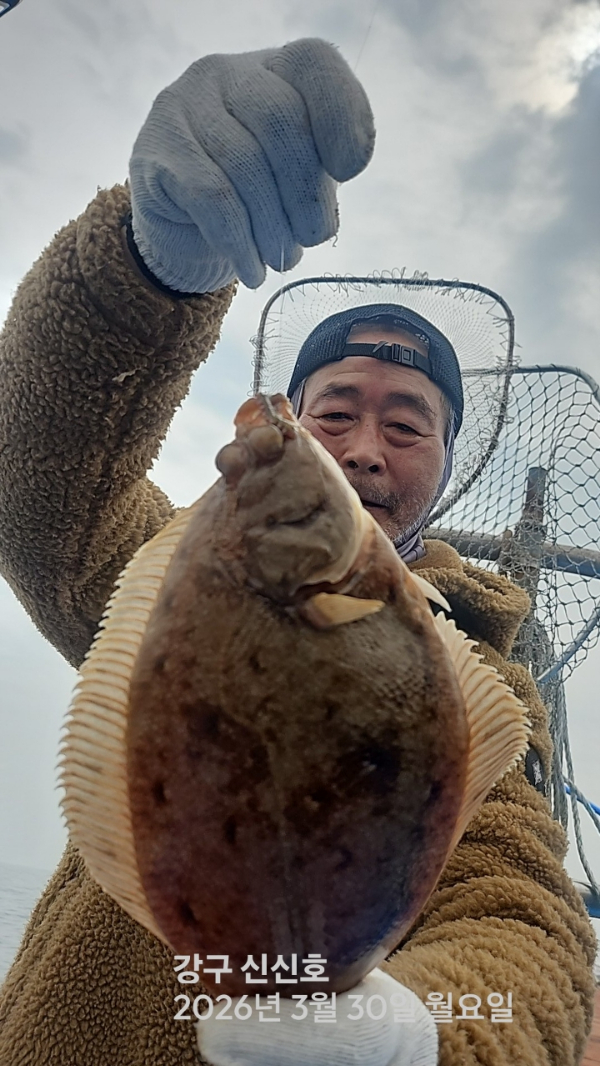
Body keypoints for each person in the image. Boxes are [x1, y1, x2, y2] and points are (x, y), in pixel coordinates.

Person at [0, 38, 596, 1066]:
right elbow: (36, 484)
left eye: (407, 424)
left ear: (445, 463)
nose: (363, 449)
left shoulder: (478, 679)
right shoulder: (178, 574)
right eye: (334, 414)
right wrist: (142, 275)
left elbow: (522, 918)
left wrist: (426, 1039)